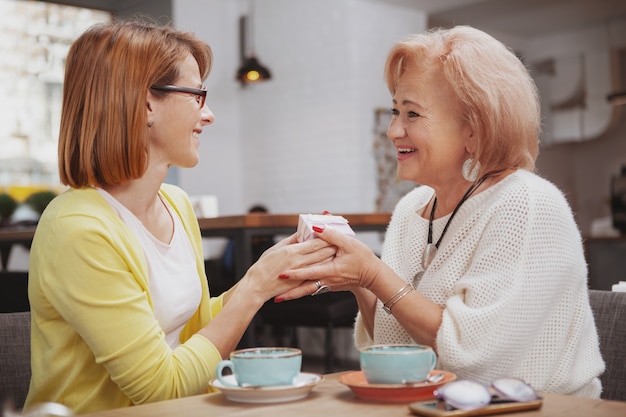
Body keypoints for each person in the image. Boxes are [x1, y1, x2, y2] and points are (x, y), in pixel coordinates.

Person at [24, 19, 334, 414]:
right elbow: (160, 389)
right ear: (146, 103)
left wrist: (272, 273)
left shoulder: (175, 204)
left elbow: (197, 330)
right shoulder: (78, 230)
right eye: (198, 95)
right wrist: (255, 285)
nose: (209, 116)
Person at [278, 26, 605, 397]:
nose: (393, 130)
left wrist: (373, 273)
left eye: (413, 114)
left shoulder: (525, 205)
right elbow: (396, 346)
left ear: (475, 130)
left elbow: (474, 359)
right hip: (440, 405)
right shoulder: (412, 209)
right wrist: (358, 281)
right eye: (395, 111)